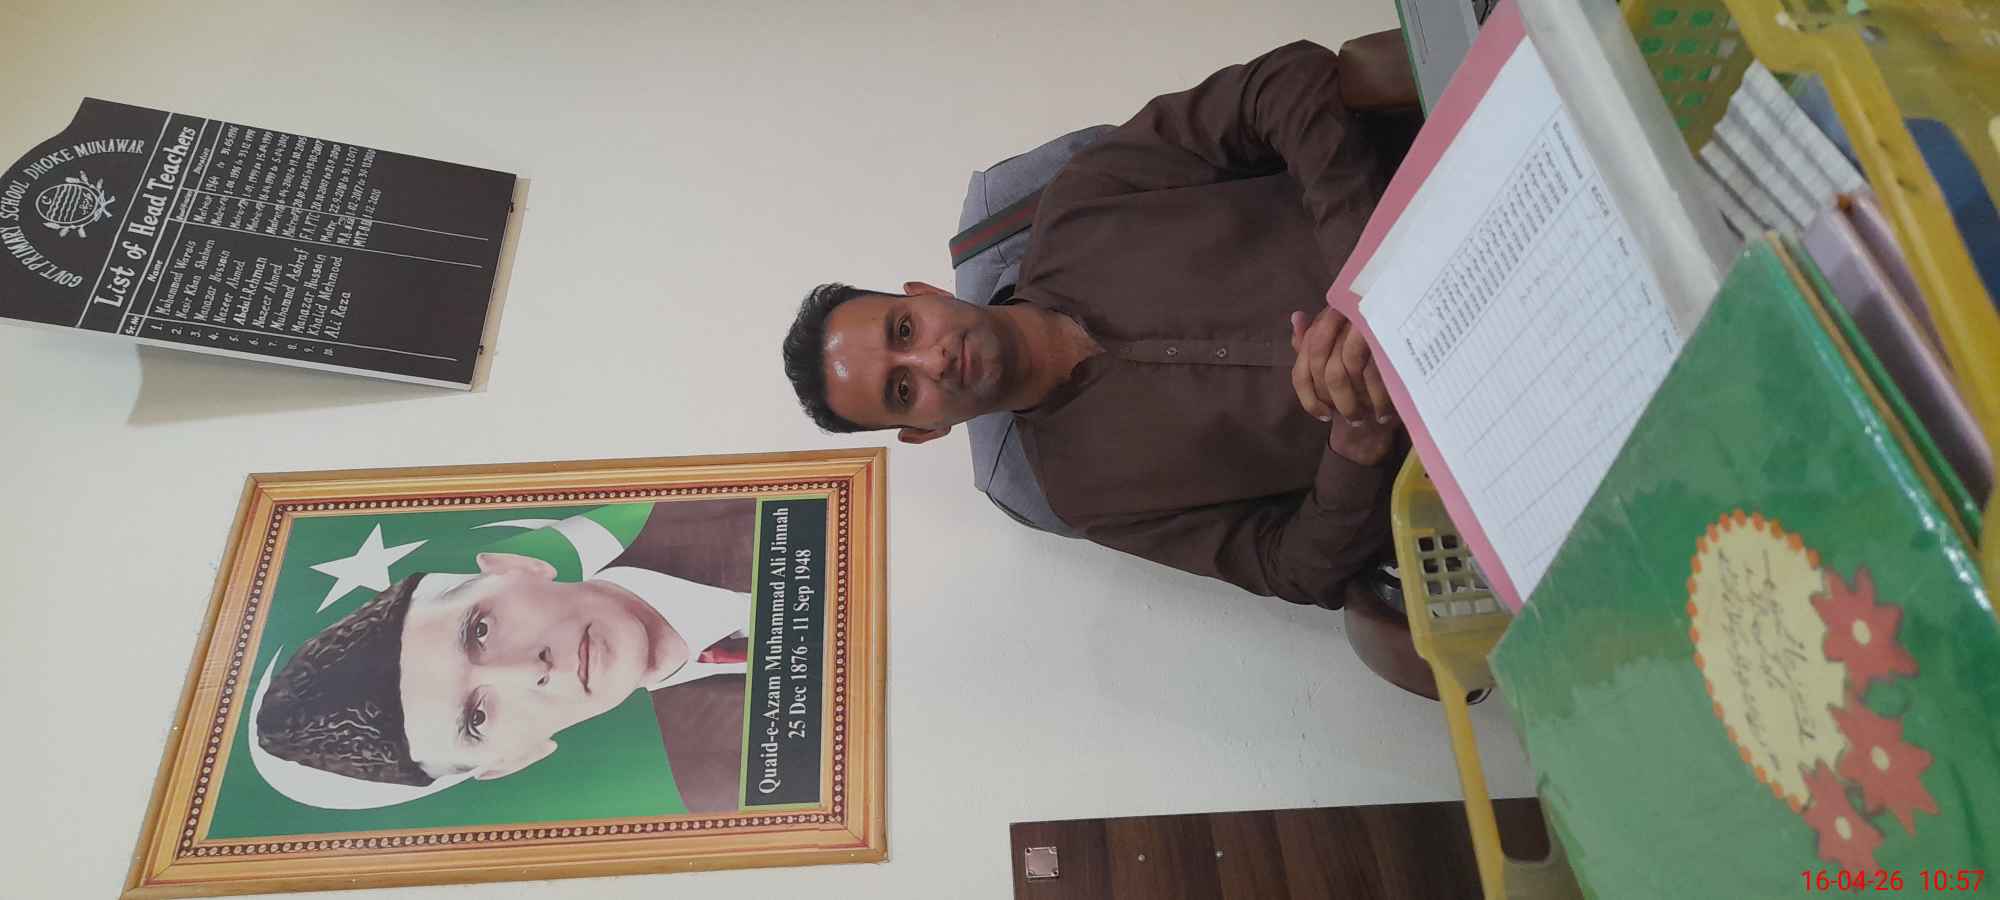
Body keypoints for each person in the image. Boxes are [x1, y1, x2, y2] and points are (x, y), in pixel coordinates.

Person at [782, 38, 1421, 619]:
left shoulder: (1083, 198)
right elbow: (1294, 567)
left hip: (1433, 235)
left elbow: (1282, 82)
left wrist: (1361, 278)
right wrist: (1357, 442)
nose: (933, 361)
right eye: (902, 390)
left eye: (904, 331)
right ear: (926, 430)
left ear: (925, 294)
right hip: (1436, 444)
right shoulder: (1083, 495)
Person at [251, 500, 756, 813]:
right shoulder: (728, 784)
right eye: (476, 719)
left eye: (481, 631)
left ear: (514, 567)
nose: (529, 669)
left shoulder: (725, 497)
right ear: (513, 761)